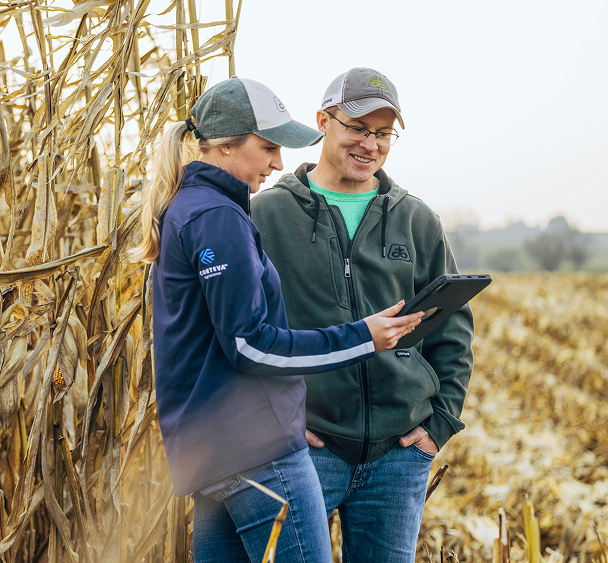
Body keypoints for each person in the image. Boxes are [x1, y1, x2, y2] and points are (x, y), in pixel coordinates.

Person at [132, 76, 423, 563]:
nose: (278, 163)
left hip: (213, 452)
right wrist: (363, 337)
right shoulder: (216, 217)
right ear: (226, 146)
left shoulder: (192, 207)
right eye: (267, 147)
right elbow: (250, 345)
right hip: (256, 449)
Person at [251, 68, 475, 562]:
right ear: (323, 122)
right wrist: (269, 423)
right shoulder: (266, 215)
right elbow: (240, 331)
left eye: (382, 132)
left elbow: (453, 328)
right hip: (303, 449)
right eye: (356, 127)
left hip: (399, 456)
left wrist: (439, 422)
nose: (369, 144)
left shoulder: (416, 219)